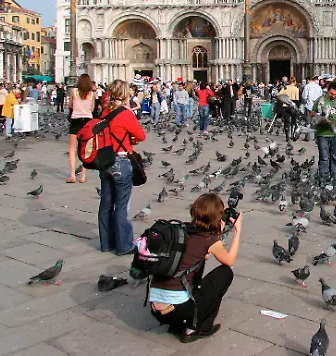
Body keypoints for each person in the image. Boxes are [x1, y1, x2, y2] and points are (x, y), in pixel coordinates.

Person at [149, 193, 240, 343]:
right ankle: (196, 328)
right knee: (225, 273)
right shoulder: (208, 239)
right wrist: (237, 231)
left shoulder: (179, 231)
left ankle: (177, 324)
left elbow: (202, 257)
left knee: (189, 275)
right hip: (178, 310)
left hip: (156, 309)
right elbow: (229, 261)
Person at [97, 79, 146, 255]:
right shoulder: (125, 114)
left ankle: (106, 243)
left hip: (104, 163)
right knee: (121, 206)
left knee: (106, 204)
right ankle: (124, 245)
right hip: (121, 161)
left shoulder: (104, 113)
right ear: (126, 95)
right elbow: (141, 135)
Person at [313, 81, 336, 180]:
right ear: (327, 90)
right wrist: (321, 119)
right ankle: (323, 177)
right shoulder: (320, 100)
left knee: (335, 156)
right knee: (324, 157)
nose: (333, 96)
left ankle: (334, 177)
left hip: (335, 133)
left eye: (335, 94)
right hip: (322, 133)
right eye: (331, 94)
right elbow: (312, 114)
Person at [68, 74, 94, 183]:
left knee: (72, 149)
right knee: (85, 149)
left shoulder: (73, 91)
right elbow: (92, 108)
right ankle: (83, 176)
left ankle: (73, 175)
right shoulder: (92, 93)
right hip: (87, 121)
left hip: (76, 121)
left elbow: (70, 105)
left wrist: (77, 106)